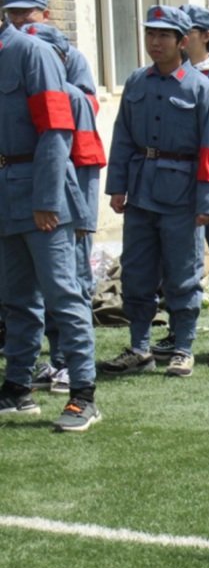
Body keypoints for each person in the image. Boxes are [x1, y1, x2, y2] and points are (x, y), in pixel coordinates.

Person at [99, 5, 209, 379]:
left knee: (182, 275)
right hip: (140, 191)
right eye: (150, 34)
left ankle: (183, 347)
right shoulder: (137, 82)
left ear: (182, 41)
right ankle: (140, 348)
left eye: (163, 36)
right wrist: (116, 186)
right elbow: (122, 137)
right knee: (137, 274)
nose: (155, 42)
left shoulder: (201, 87)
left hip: (182, 195)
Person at [0, 12, 101, 431]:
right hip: (5, 195)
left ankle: (83, 395)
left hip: (42, 196)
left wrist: (46, 199)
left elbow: (57, 128)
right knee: (16, 299)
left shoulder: (32, 51)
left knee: (63, 294)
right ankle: (17, 388)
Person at [147, 4, 209, 368]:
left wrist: (196, 144)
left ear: (203, 36)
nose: (180, 37)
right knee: (179, 264)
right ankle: (179, 333)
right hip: (177, 189)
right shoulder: (167, 77)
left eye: (188, 31)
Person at [21, 23, 106, 395]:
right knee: (31, 294)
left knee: (67, 290)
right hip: (29, 206)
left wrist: (84, 221)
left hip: (62, 210)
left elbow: (86, 162)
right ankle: (50, 365)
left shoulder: (70, 97)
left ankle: (69, 368)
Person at [2, 0, 98, 106]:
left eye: (25, 12)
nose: (18, 19)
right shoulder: (4, 52)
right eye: (13, 13)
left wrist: (52, 84)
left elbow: (88, 105)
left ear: (46, 15)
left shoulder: (70, 56)